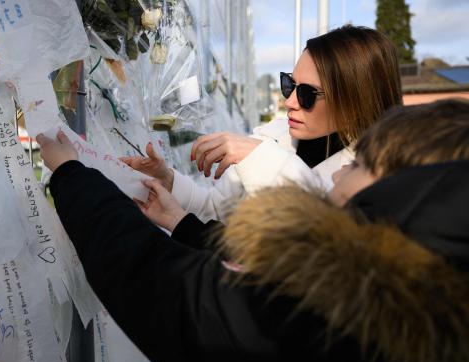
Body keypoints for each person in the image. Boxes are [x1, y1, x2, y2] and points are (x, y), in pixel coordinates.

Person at [39, 99, 469, 362]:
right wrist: (183, 223)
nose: (339, 174)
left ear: (404, 189)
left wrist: (72, 174)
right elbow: (255, 275)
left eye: (359, 165)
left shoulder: (326, 322)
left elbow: (159, 282)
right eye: (288, 85)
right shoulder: (426, 319)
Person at [121, 25, 402, 222]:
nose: (289, 101)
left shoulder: (381, 174)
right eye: (289, 84)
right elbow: (217, 210)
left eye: (306, 94)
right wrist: (168, 179)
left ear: (355, 102)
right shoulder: (272, 136)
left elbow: (322, 234)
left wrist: (263, 158)